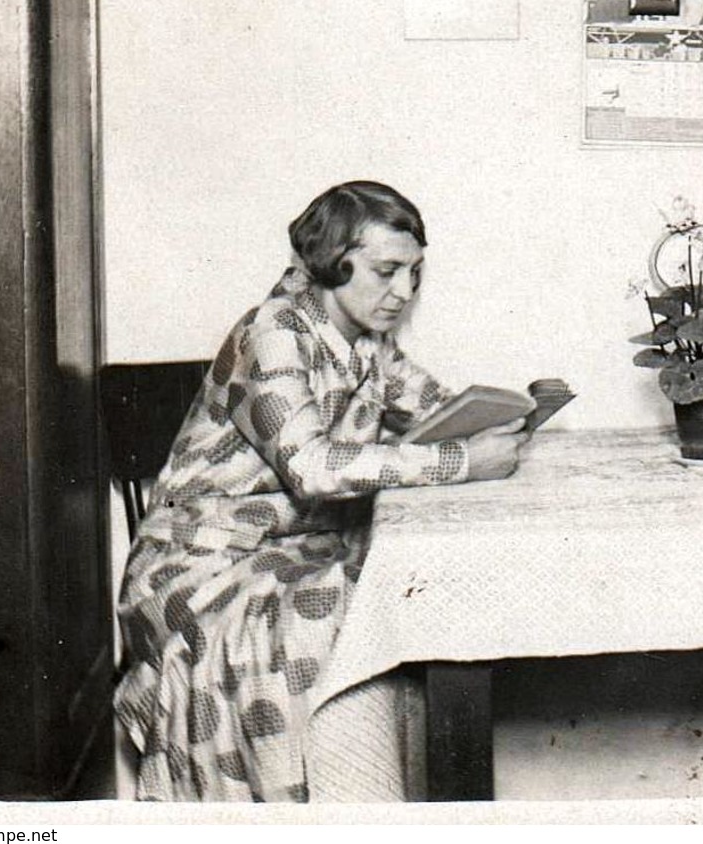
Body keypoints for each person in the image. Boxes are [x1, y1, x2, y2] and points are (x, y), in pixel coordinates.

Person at [114, 181, 529, 801]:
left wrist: (511, 417)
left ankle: (384, 795)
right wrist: (459, 461)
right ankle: (343, 803)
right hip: (202, 565)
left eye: (415, 272)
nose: (404, 292)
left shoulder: (369, 341)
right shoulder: (273, 331)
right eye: (387, 271)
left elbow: (438, 409)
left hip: (294, 547)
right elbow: (310, 467)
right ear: (333, 259)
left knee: (404, 585)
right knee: (345, 615)